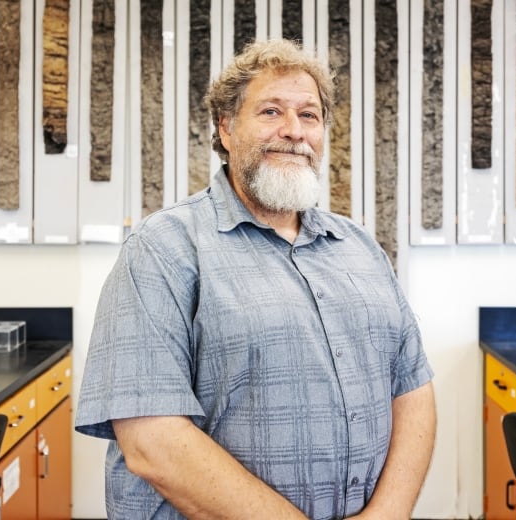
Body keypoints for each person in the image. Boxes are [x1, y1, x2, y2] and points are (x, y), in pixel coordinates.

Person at [75, 38, 436, 520]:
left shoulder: (360, 247)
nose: (293, 131)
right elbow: (151, 439)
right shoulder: (165, 247)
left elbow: (412, 390)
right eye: (270, 111)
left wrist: (387, 514)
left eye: (309, 116)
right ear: (225, 128)